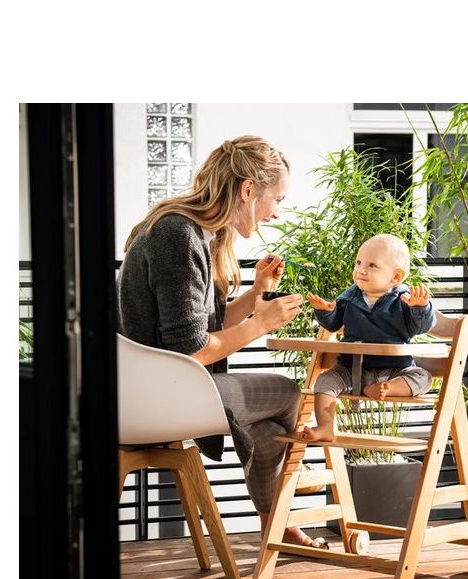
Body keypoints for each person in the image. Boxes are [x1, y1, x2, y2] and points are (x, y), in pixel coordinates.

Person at [117, 135, 328, 550]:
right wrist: (261, 323)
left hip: (159, 387)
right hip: (160, 396)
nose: (276, 212)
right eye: (277, 199)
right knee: (288, 393)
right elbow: (191, 350)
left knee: (268, 428)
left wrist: (255, 295)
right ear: (248, 190)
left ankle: (277, 527)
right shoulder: (177, 235)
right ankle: (282, 507)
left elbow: (200, 325)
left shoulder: (192, 232)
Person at [298, 233, 436, 443]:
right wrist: (325, 312)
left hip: (394, 370)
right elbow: (333, 324)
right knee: (325, 380)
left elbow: (421, 328)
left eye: (372, 265)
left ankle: (388, 389)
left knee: (423, 377)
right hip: (350, 369)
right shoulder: (349, 298)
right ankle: (325, 426)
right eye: (358, 263)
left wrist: (420, 308)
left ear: (396, 277)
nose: (361, 270)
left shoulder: (404, 300)